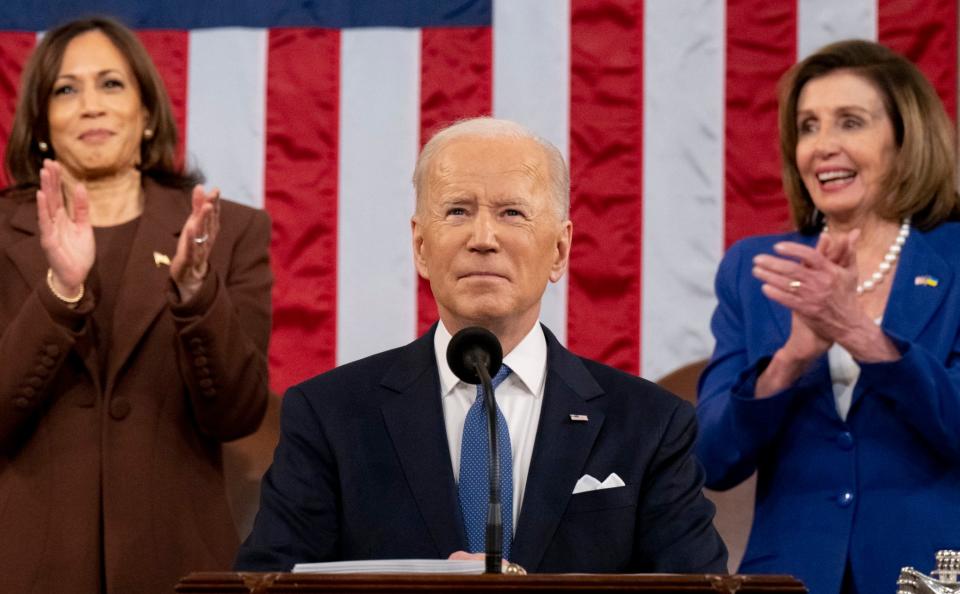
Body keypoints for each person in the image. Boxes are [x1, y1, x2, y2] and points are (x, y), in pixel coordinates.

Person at [235, 117, 726, 573]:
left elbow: (697, 588)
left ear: (559, 250)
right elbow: (270, 584)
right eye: (457, 211)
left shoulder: (649, 424)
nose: (483, 238)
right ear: (421, 247)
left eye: (512, 212)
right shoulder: (330, 416)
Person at [0, 17, 272, 594]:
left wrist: (197, 297)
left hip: (175, 566)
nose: (91, 105)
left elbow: (237, 414)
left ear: (148, 114)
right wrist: (60, 294)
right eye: (67, 89)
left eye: (112, 84)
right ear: (42, 121)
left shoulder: (226, 233)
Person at [696, 39, 960, 594]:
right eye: (808, 127)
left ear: (905, 138)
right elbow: (712, 458)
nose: (823, 146)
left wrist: (863, 337)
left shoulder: (954, 259)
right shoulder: (756, 268)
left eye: (850, 123)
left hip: (930, 571)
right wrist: (792, 359)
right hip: (792, 576)